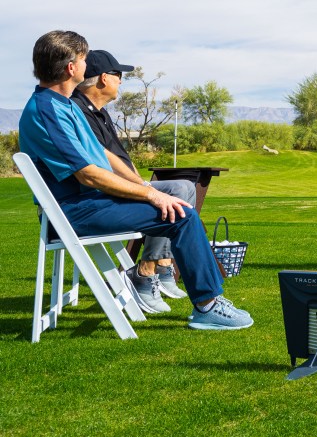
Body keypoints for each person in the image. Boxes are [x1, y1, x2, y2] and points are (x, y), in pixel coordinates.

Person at [19, 31, 253, 329]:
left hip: (89, 203)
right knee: (182, 214)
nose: (86, 64)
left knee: (178, 206)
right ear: (71, 67)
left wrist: (144, 187)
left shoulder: (62, 105)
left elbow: (102, 155)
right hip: (74, 212)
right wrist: (153, 196)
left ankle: (169, 284)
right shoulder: (47, 110)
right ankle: (207, 305)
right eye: (84, 59)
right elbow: (88, 173)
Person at [70, 49, 194, 313]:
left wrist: (141, 182)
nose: (121, 81)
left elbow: (120, 158)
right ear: (103, 78)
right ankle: (145, 271)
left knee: (184, 187)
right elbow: (99, 167)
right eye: (118, 75)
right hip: (102, 194)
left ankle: (162, 266)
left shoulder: (100, 113)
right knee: (177, 190)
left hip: (117, 188)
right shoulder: (77, 111)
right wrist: (144, 189)